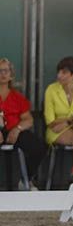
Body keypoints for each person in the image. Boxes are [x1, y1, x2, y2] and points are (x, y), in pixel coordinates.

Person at [43, 55, 73, 182]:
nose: (59, 75)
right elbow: (50, 121)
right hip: (57, 131)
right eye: (59, 72)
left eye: (64, 72)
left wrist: (69, 121)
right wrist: (72, 120)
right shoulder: (51, 90)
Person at [0, 57, 45, 187]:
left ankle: (26, 179)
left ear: (11, 75)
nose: (2, 74)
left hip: (14, 129)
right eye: (0, 71)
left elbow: (28, 119)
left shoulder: (17, 97)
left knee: (39, 147)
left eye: (6, 71)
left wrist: (17, 128)